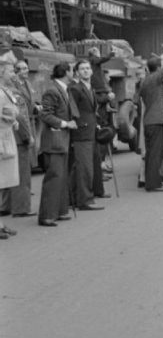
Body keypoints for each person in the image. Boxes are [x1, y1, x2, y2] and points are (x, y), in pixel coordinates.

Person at [38, 62, 79, 226]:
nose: (73, 72)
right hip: (54, 142)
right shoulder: (52, 90)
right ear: (66, 72)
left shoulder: (63, 89)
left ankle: (60, 211)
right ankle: (47, 215)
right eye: (72, 70)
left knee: (61, 178)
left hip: (62, 141)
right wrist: (65, 124)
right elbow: (45, 115)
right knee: (54, 178)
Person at [68, 60, 104, 211]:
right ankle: (85, 200)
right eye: (82, 69)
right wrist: (77, 124)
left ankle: (75, 198)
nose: (86, 71)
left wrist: (95, 123)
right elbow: (72, 110)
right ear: (76, 72)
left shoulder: (90, 88)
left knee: (84, 166)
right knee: (85, 168)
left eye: (88, 68)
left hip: (91, 131)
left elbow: (90, 110)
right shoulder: (75, 89)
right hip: (81, 132)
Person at [139, 46, 163, 192]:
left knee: (151, 153)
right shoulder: (155, 78)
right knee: (155, 153)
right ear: (158, 67)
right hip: (156, 120)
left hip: (149, 120)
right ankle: (153, 184)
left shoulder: (148, 81)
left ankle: (151, 181)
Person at [0, 52, 23, 235]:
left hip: (6, 137)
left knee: (2, 183)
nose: (13, 74)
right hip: (1, 141)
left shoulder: (5, 90)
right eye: (10, 71)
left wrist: (12, 121)